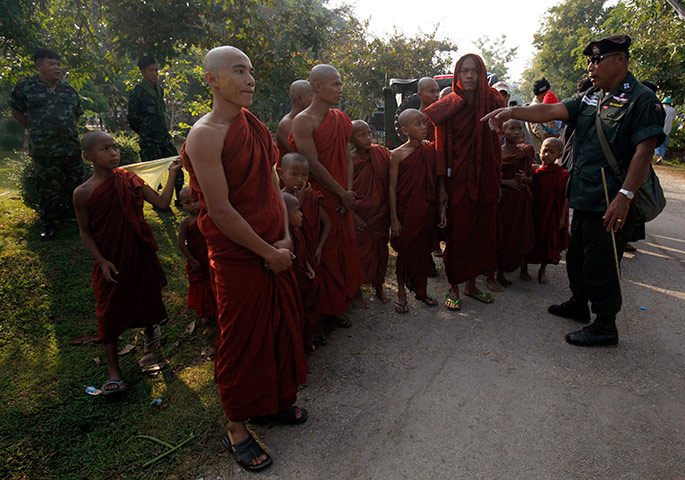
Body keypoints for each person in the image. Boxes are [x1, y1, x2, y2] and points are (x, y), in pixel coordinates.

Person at [482, 34, 665, 347]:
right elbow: (550, 112)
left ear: (620, 60)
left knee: (603, 262)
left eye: (598, 60)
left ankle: (605, 325)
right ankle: (579, 304)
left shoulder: (641, 99)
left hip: (610, 198)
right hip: (585, 193)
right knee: (578, 254)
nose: (591, 67)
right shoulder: (592, 96)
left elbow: (644, 151)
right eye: (590, 61)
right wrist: (513, 112)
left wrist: (625, 197)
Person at [182, 46, 307, 471]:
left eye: (251, 71)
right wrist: (268, 251)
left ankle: (270, 403)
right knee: (241, 340)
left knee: (275, 329)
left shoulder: (251, 124)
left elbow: (272, 187)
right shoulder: (206, 134)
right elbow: (219, 210)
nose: (250, 79)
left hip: (275, 245)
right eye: (239, 71)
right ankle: (236, 427)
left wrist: (285, 236)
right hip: (240, 257)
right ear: (213, 79)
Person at [73, 130, 181, 395]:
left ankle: (148, 334)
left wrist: (172, 174)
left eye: (115, 148)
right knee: (107, 312)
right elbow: (85, 232)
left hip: (138, 250)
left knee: (146, 295)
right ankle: (114, 371)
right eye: (105, 149)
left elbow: (163, 203)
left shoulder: (129, 179)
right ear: (88, 156)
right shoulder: (83, 193)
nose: (113, 154)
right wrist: (101, 261)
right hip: (110, 259)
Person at [424, 54, 503, 311]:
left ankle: (471, 284)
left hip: (485, 179)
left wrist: (496, 179)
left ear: (482, 75)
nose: (469, 76)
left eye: (475, 71)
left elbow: (495, 144)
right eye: (464, 71)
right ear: (457, 75)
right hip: (456, 180)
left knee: (481, 233)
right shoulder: (448, 106)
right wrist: (442, 187)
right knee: (458, 235)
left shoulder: (492, 100)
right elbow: (441, 149)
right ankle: (454, 286)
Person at [291, 64, 366, 324]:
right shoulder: (303, 121)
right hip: (320, 197)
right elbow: (311, 163)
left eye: (341, 83)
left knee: (345, 246)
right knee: (325, 252)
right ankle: (326, 310)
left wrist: (347, 191)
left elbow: (346, 156)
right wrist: (339, 192)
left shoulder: (341, 119)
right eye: (335, 84)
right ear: (317, 87)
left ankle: (345, 295)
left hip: (341, 194)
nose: (340, 89)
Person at [9, 48, 85, 240]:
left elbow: (76, 115)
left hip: (70, 148)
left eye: (59, 64)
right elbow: (16, 111)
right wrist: (35, 128)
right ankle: (48, 223)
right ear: (38, 65)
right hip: (43, 149)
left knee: (76, 184)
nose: (57, 68)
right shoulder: (26, 87)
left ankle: (78, 219)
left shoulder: (69, 90)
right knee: (46, 187)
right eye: (51, 64)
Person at [389, 109, 444, 313]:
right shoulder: (397, 155)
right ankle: (401, 293)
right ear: (405, 130)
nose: (423, 127)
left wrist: (440, 208)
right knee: (404, 254)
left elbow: (437, 181)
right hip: (406, 213)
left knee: (422, 254)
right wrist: (394, 218)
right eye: (418, 124)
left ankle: (422, 291)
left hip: (426, 209)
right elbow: (392, 188)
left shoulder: (430, 150)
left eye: (424, 123)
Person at [280, 152, 330, 348]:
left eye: (305, 175)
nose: (300, 180)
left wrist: (318, 249)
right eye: (294, 174)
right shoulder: (278, 199)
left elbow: (328, 223)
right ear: (281, 173)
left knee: (310, 301)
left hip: (307, 258)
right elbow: (285, 227)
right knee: (293, 307)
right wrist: (298, 201)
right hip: (289, 265)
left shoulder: (312, 197)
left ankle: (309, 336)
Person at [127, 56, 184, 208]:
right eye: (151, 70)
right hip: (149, 139)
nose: (155, 73)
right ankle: (157, 203)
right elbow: (132, 118)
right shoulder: (138, 92)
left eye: (156, 70)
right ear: (142, 72)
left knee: (177, 164)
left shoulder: (159, 90)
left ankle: (180, 199)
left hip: (163, 136)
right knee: (152, 173)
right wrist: (145, 132)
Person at [350, 120, 391, 303]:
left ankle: (379, 287)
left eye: (369, 133)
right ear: (351, 139)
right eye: (362, 135)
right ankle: (356, 291)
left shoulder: (380, 153)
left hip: (379, 215)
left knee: (381, 253)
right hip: (360, 217)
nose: (368, 138)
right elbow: (345, 192)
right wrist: (353, 216)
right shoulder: (349, 160)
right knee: (358, 256)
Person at [494, 119, 535, 287]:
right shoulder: (497, 153)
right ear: (502, 132)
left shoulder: (526, 151)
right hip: (504, 200)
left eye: (519, 128)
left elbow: (532, 176)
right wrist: (507, 182)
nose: (517, 132)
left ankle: (523, 267)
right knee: (504, 233)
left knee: (524, 231)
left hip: (522, 198)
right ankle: (500, 271)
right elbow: (489, 177)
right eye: (512, 128)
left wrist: (527, 179)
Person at [523, 137, 569, 284]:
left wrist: (562, 218)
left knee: (547, 241)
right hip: (533, 211)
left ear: (559, 155)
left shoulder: (562, 174)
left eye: (552, 152)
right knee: (527, 239)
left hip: (550, 214)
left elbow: (564, 197)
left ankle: (542, 271)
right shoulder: (534, 170)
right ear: (539, 151)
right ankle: (523, 269)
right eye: (545, 151)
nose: (547, 155)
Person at [283, 192, 318, 352]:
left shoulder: (297, 232)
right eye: (297, 211)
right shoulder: (283, 241)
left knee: (307, 315)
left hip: (304, 283)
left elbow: (302, 255)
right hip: (292, 288)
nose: (302, 214)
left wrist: (308, 267)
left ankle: (307, 341)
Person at [177, 187, 217, 324]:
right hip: (197, 259)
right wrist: (191, 259)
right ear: (181, 205)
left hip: (211, 256)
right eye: (188, 202)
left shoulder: (208, 215)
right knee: (201, 286)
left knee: (214, 282)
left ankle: (217, 307)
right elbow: (181, 244)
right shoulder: (185, 223)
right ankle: (204, 312)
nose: (193, 205)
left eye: (195, 200)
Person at [276, 80, 313, 161]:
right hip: (295, 171)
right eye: (312, 96)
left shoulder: (310, 120)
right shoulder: (286, 124)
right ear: (300, 99)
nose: (316, 100)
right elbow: (300, 155)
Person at [526, 77, 560, 153]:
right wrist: (554, 137)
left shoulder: (542, 105)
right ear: (543, 93)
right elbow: (539, 131)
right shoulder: (534, 108)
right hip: (540, 149)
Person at [654, 97, 676, 164]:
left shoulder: (660, 107)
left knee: (657, 143)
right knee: (664, 143)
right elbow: (673, 118)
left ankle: (658, 156)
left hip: (660, 127)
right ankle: (661, 156)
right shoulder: (673, 110)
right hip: (668, 128)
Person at [417, 77, 440, 142]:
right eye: (432, 91)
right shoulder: (415, 117)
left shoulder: (442, 114)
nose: (437, 95)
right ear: (420, 94)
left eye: (438, 91)